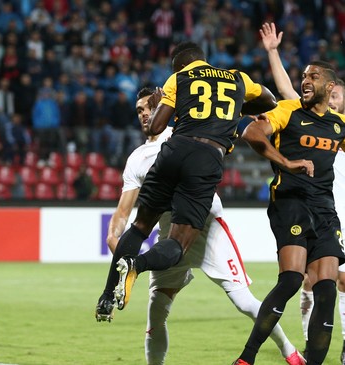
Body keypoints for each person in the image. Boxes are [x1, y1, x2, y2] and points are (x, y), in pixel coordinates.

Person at [103, 87, 304, 365]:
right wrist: (115, 244)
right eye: (139, 110)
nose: (144, 113)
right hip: (169, 235)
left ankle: (289, 351)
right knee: (156, 313)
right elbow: (123, 214)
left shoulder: (184, 134)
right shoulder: (137, 158)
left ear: (164, 106)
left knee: (243, 301)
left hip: (208, 228)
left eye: (149, 106)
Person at [96, 41, 276, 316]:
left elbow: (157, 127)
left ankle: (107, 296)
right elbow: (269, 100)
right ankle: (138, 265)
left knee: (140, 227)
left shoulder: (178, 78)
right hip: (206, 158)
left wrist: (170, 105)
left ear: (181, 65)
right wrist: (236, 108)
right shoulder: (238, 79)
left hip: (174, 151)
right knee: (178, 244)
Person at [232, 59, 345, 364]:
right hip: (290, 201)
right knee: (293, 280)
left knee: (326, 289)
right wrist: (287, 162)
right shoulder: (288, 110)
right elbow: (253, 133)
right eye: (304, 75)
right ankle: (247, 357)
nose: (306, 80)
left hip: (324, 209)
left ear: (329, 86)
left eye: (314, 76)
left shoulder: (338, 124)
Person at [260, 21, 345, 364]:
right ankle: (314, 348)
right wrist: (273, 53)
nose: (334, 99)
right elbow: (287, 94)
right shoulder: (310, 118)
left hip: (328, 206)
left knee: (335, 281)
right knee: (311, 282)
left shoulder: (339, 128)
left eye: (339, 95)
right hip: (319, 206)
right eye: (334, 95)